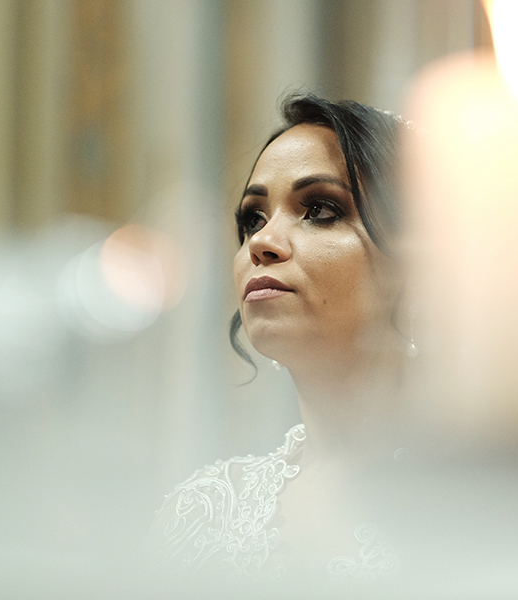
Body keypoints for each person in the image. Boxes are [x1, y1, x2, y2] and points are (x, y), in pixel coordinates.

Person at [147, 94, 414, 586]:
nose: (261, 243)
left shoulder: (489, 501)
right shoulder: (205, 513)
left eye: (320, 209)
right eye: (253, 218)